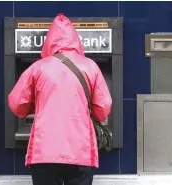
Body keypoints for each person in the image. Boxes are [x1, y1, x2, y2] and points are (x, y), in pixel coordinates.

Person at [8, 13, 112, 185]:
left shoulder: (38, 67)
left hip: (44, 153)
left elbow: (17, 104)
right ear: (76, 40)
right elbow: (103, 108)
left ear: (49, 41)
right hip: (80, 152)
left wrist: (37, 104)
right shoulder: (90, 66)